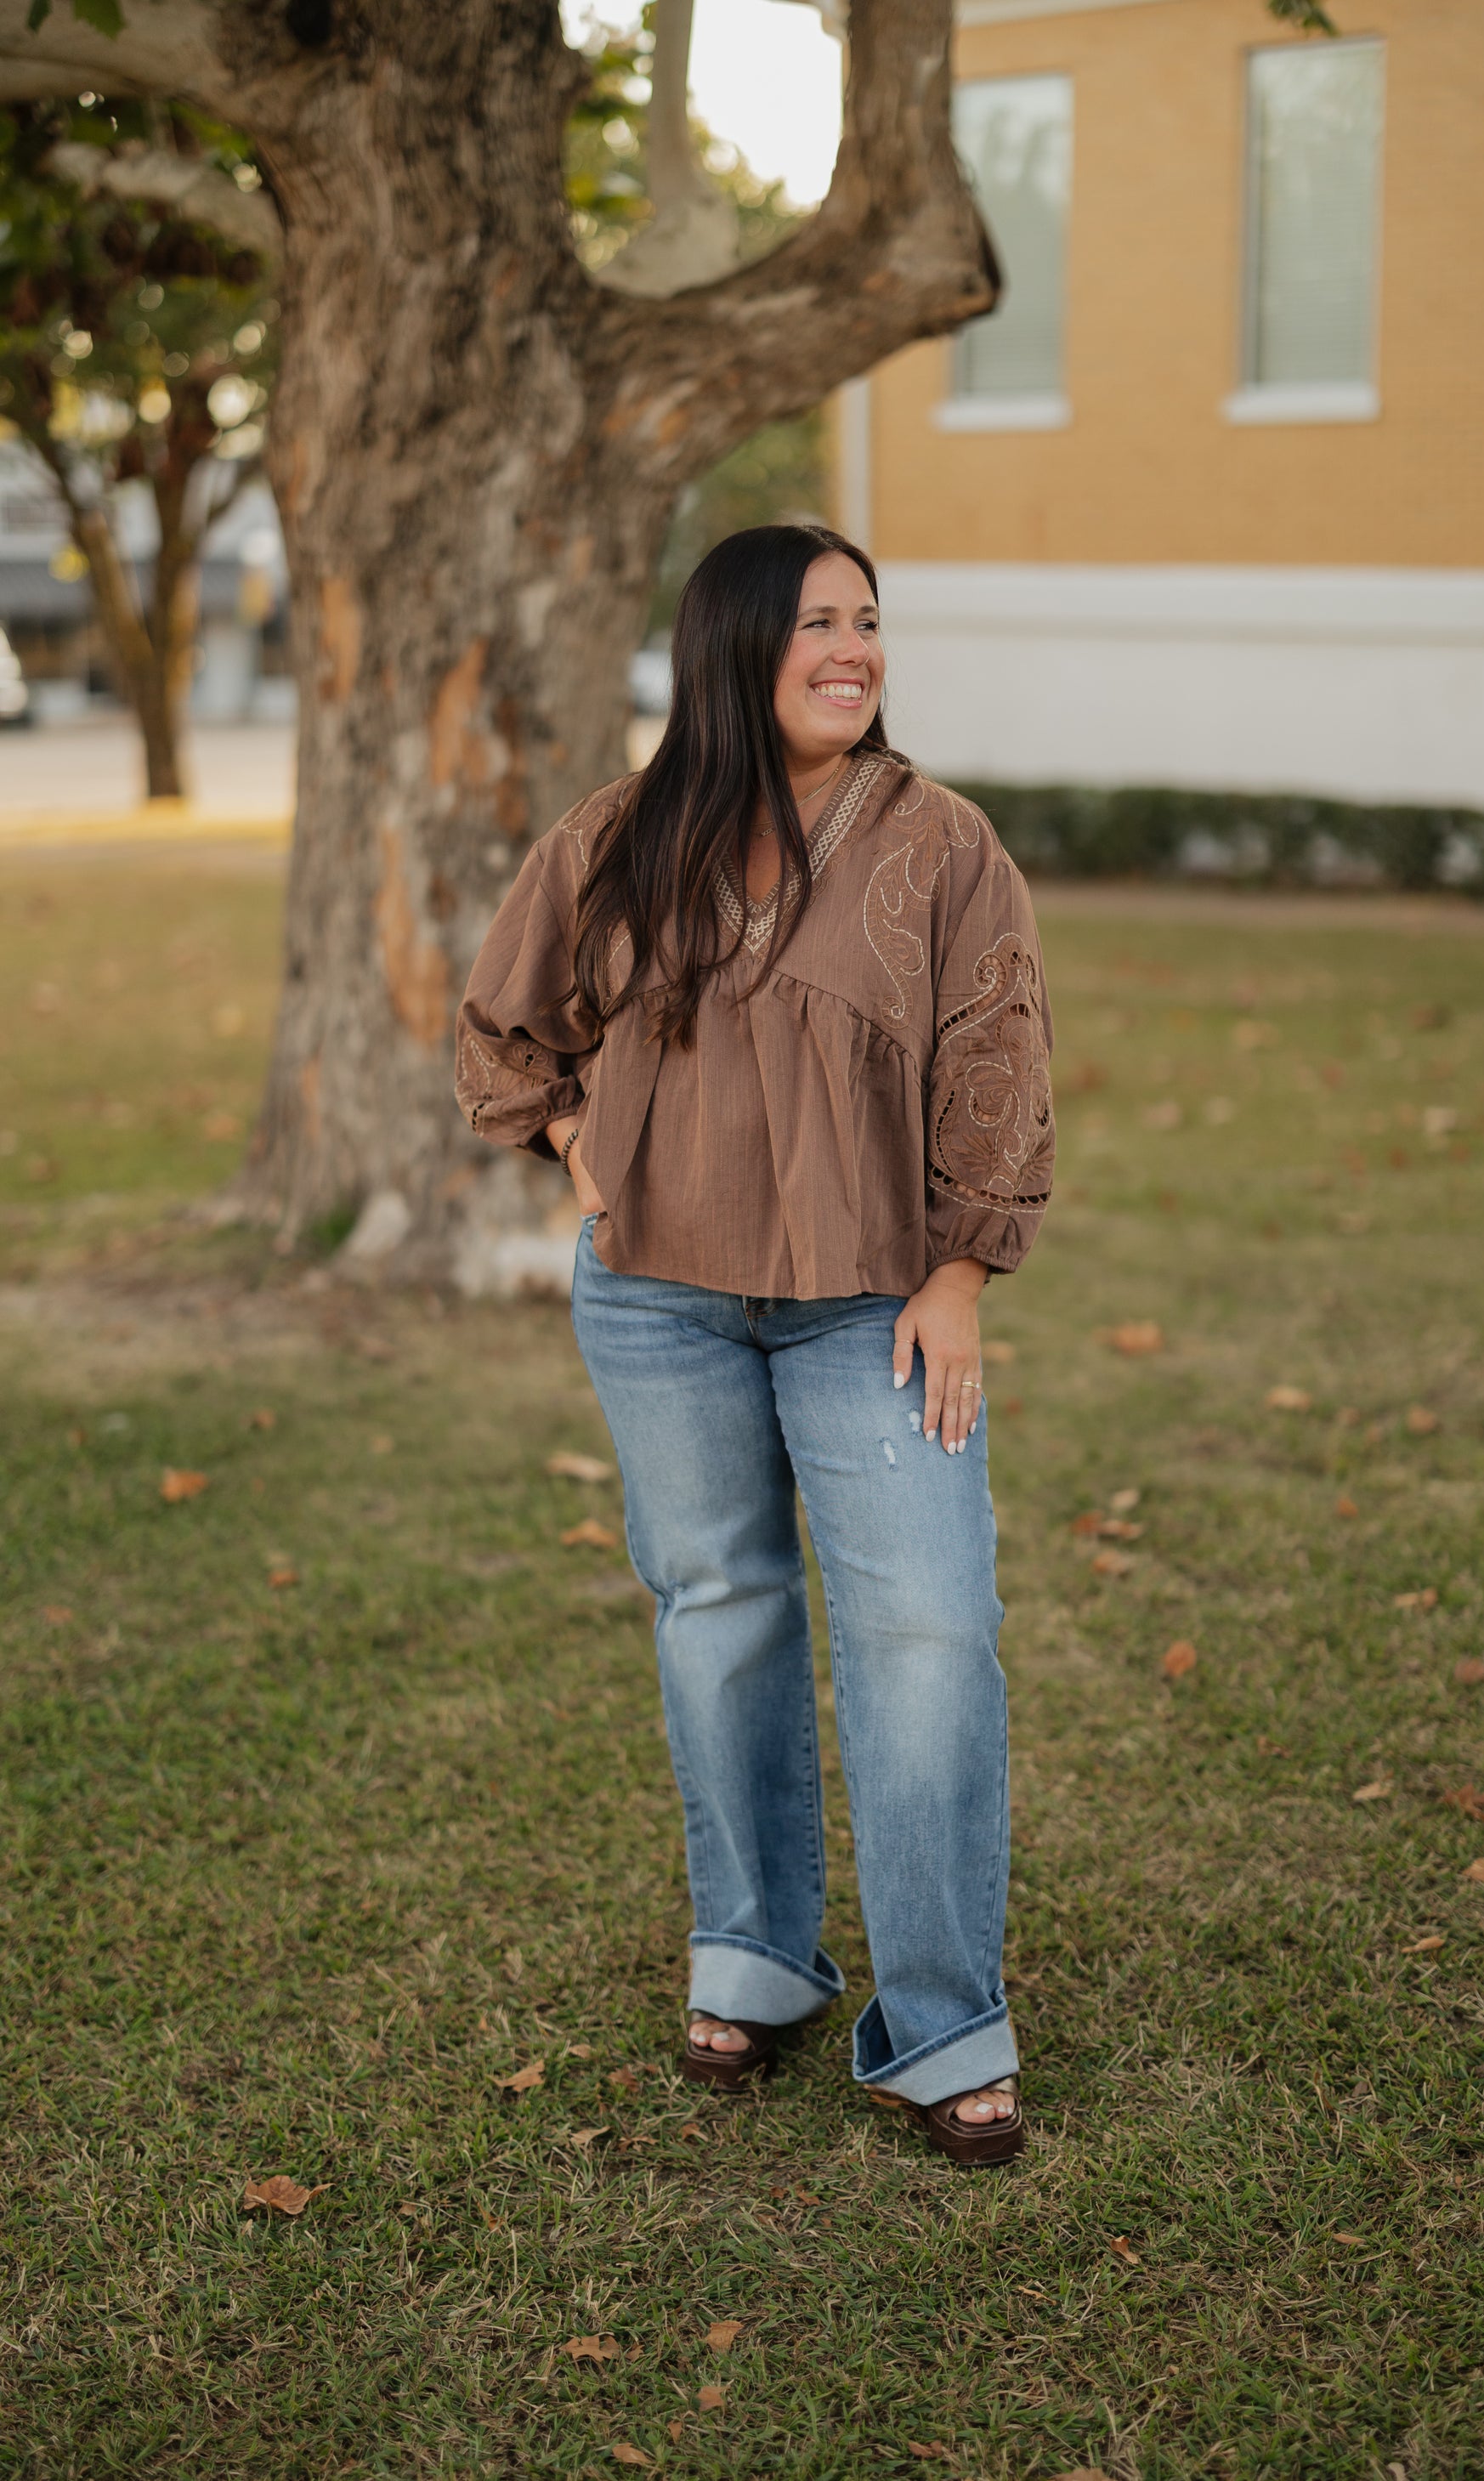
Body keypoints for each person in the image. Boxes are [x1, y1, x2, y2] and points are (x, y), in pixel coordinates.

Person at [455, 524, 1054, 2166]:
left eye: (868, 621)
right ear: (732, 646)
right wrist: (579, 1150)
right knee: (718, 1608)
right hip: (658, 1300)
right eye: (816, 622)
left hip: (874, 1300)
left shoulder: (942, 848)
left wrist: (960, 1276)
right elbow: (507, 1030)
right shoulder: (620, 838)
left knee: (927, 1632)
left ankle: (940, 2024)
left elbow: (996, 1058)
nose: (853, 648)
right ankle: (757, 1957)